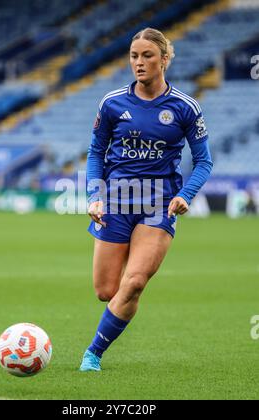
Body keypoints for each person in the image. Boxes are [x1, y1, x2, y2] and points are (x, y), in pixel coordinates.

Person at [79, 28, 213, 371]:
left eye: (147, 56)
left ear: (165, 59)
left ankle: (93, 354)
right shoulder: (112, 103)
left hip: (159, 203)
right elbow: (96, 152)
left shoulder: (185, 107)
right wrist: (95, 196)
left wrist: (185, 195)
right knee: (107, 291)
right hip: (116, 202)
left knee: (135, 283)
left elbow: (204, 161)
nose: (139, 62)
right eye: (134, 56)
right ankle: (120, 295)